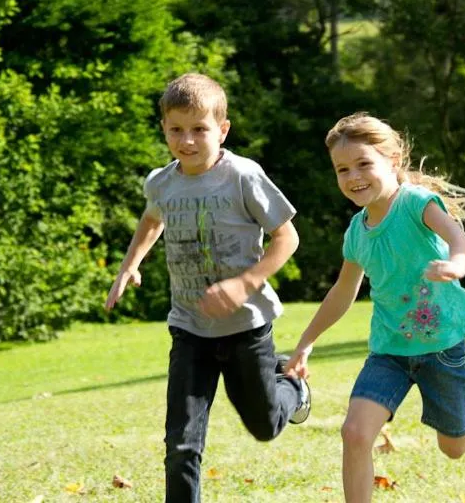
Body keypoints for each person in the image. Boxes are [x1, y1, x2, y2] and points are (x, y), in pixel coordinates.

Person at [104, 73, 311, 503]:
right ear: (163, 128)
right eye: (176, 129)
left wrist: (245, 283)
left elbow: (287, 237)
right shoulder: (161, 182)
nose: (188, 140)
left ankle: (292, 387)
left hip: (246, 327)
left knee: (264, 425)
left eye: (199, 128)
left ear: (223, 129)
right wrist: (130, 265)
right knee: (180, 447)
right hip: (189, 330)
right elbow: (151, 219)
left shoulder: (242, 176)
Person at [283, 113, 465, 503]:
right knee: (355, 433)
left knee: (453, 448)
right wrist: (307, 342)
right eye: (342, 169)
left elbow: (457, 237)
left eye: (364, 164)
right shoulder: (357, 231)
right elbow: (343, 291)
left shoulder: (415, 205)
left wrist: (457, 264)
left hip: (442, 349)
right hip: (389, 351)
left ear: (392, 161)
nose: (353, 176)